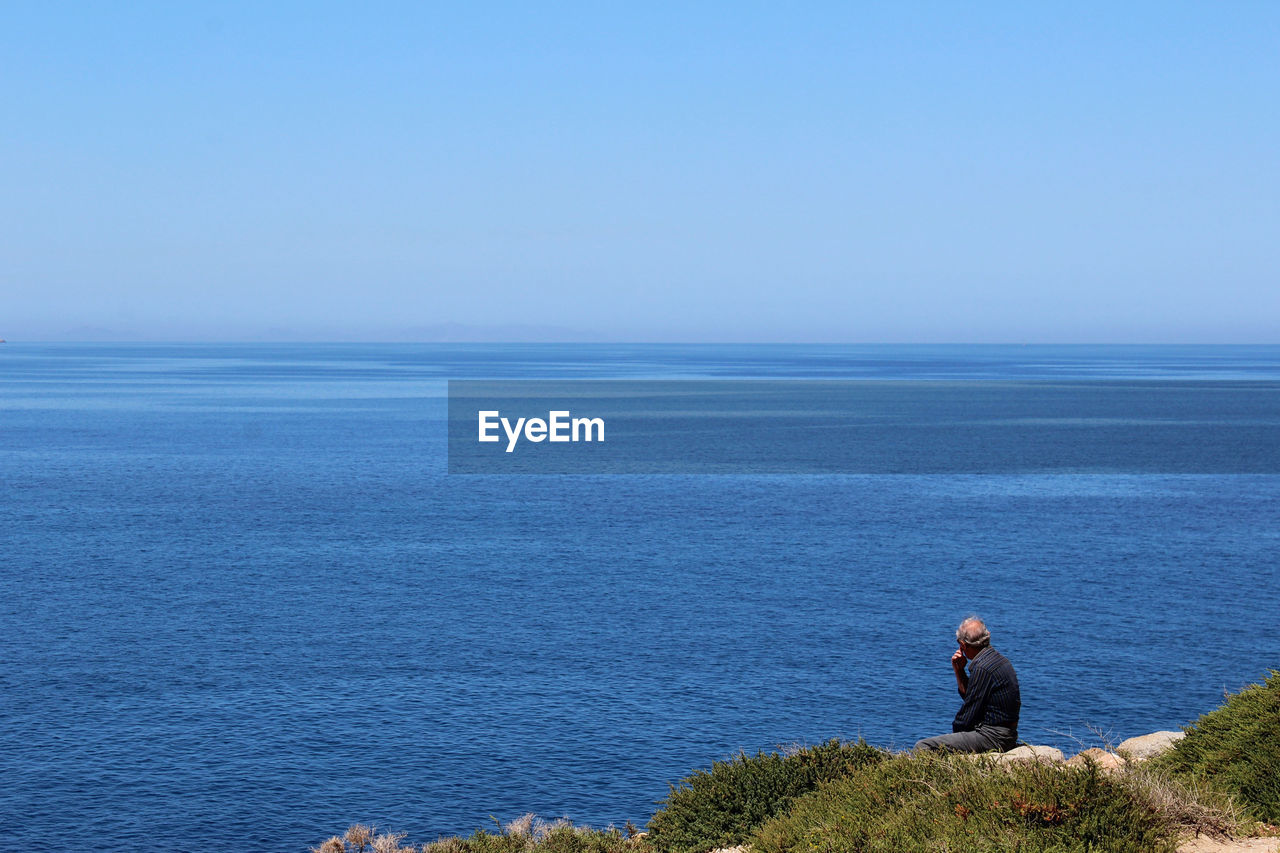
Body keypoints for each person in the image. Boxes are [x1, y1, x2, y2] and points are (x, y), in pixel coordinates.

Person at [914, 616, 1020, 753]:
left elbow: (968, 715)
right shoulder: (997, 660)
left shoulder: (983, 668)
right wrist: (959, 671)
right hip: (1006, 733)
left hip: (994, 736)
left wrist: (954, 737)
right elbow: (971, 696)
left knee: (923, 746)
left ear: (963, 645)